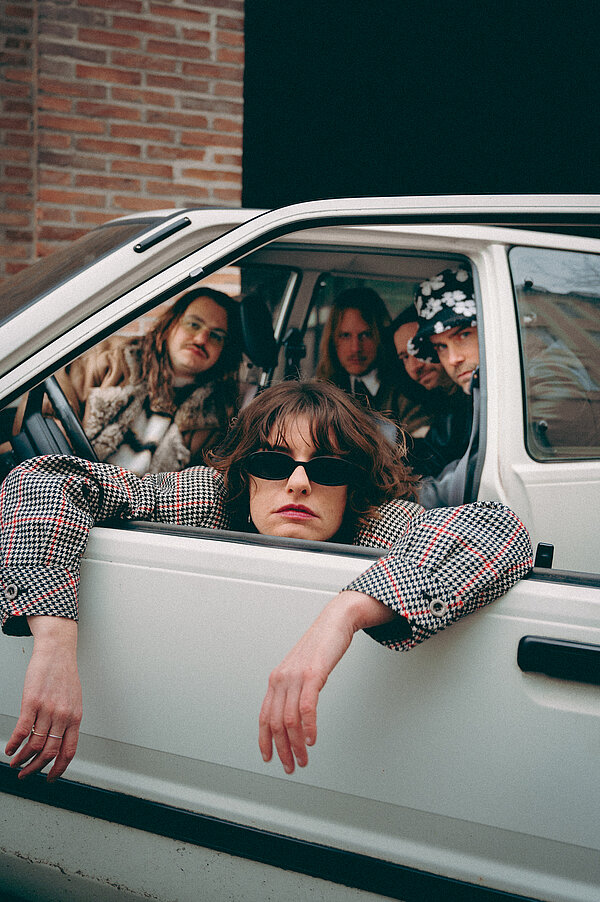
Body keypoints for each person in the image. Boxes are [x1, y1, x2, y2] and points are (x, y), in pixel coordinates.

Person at [0, 381, 533, 780]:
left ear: (354, 484)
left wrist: (344, 612)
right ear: (245, 472)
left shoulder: (376, 524)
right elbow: (45, 477)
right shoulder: (209, 499)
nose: (298, 482)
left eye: (328, 468)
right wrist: (55, 643)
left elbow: (498, 528)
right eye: (274, 462)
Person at [15, 288, 244, 476]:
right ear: (171, 324)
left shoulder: (217, 417)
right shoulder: (111, 361)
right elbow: (42, 415)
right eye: (193, 324)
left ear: (224, 350)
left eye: (216, 335)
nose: (201, 339)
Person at [316, 287, 429, 434]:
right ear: (332, 340)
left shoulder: (407, 390)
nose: (355, 348)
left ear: (380, 336)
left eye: (365, 335)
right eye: (345, 336)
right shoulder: (322, 390)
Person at [391, 306, 472, 476]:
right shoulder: (439, 404)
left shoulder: (469, 402)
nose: (415, 366)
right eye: (405, 357)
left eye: (421, 348)